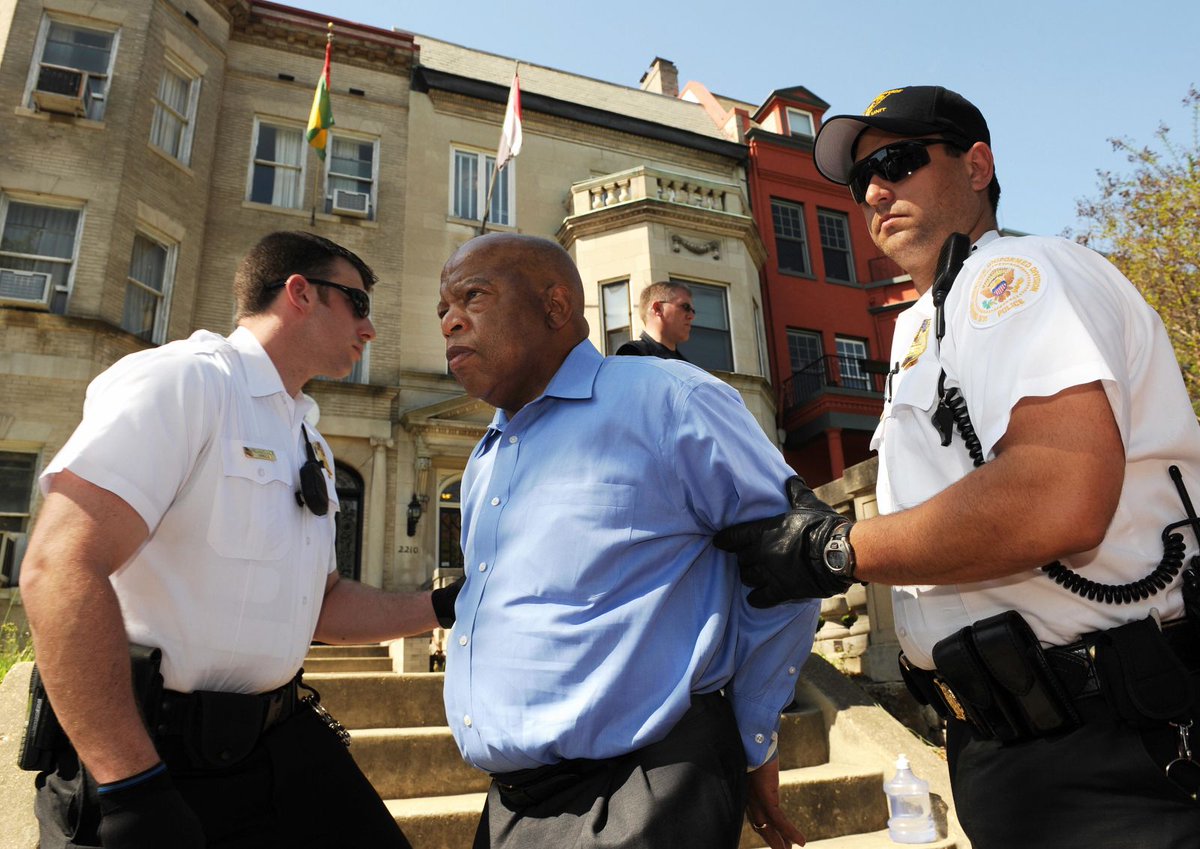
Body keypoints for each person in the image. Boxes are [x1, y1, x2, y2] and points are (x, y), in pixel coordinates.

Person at [715, 85, 1200, 848]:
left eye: (900, 162)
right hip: (1002, 743)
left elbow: (1059, 495)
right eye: (861, 180)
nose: (876, 190)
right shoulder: (920, 326)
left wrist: (835, 547)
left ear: (977, 166)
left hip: (1110, 746)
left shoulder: (1020, 276)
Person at [19, 231, 459, 849]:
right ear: (299, 293)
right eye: (358, 305)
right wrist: (130, 786)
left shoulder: (309, 438)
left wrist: (443, 607)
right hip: (153, 755)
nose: (370, 331)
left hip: (278, 744)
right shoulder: (184, 382)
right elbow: (59, 567)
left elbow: (321, 604)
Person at [437, 232, 819, 849]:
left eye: (472, 297)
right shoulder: (485, 458)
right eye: (442, 311)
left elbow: (792, 569)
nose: (451, 321)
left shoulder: (671, 401)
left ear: (556, 306)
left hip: (641, 791)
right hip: (511, 804)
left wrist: (752, 740)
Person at [614, 280, 694, 359]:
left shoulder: (688, 367)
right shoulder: (633, 354)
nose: (691, 316)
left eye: (693, 311)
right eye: (685, 307)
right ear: (658, 308)